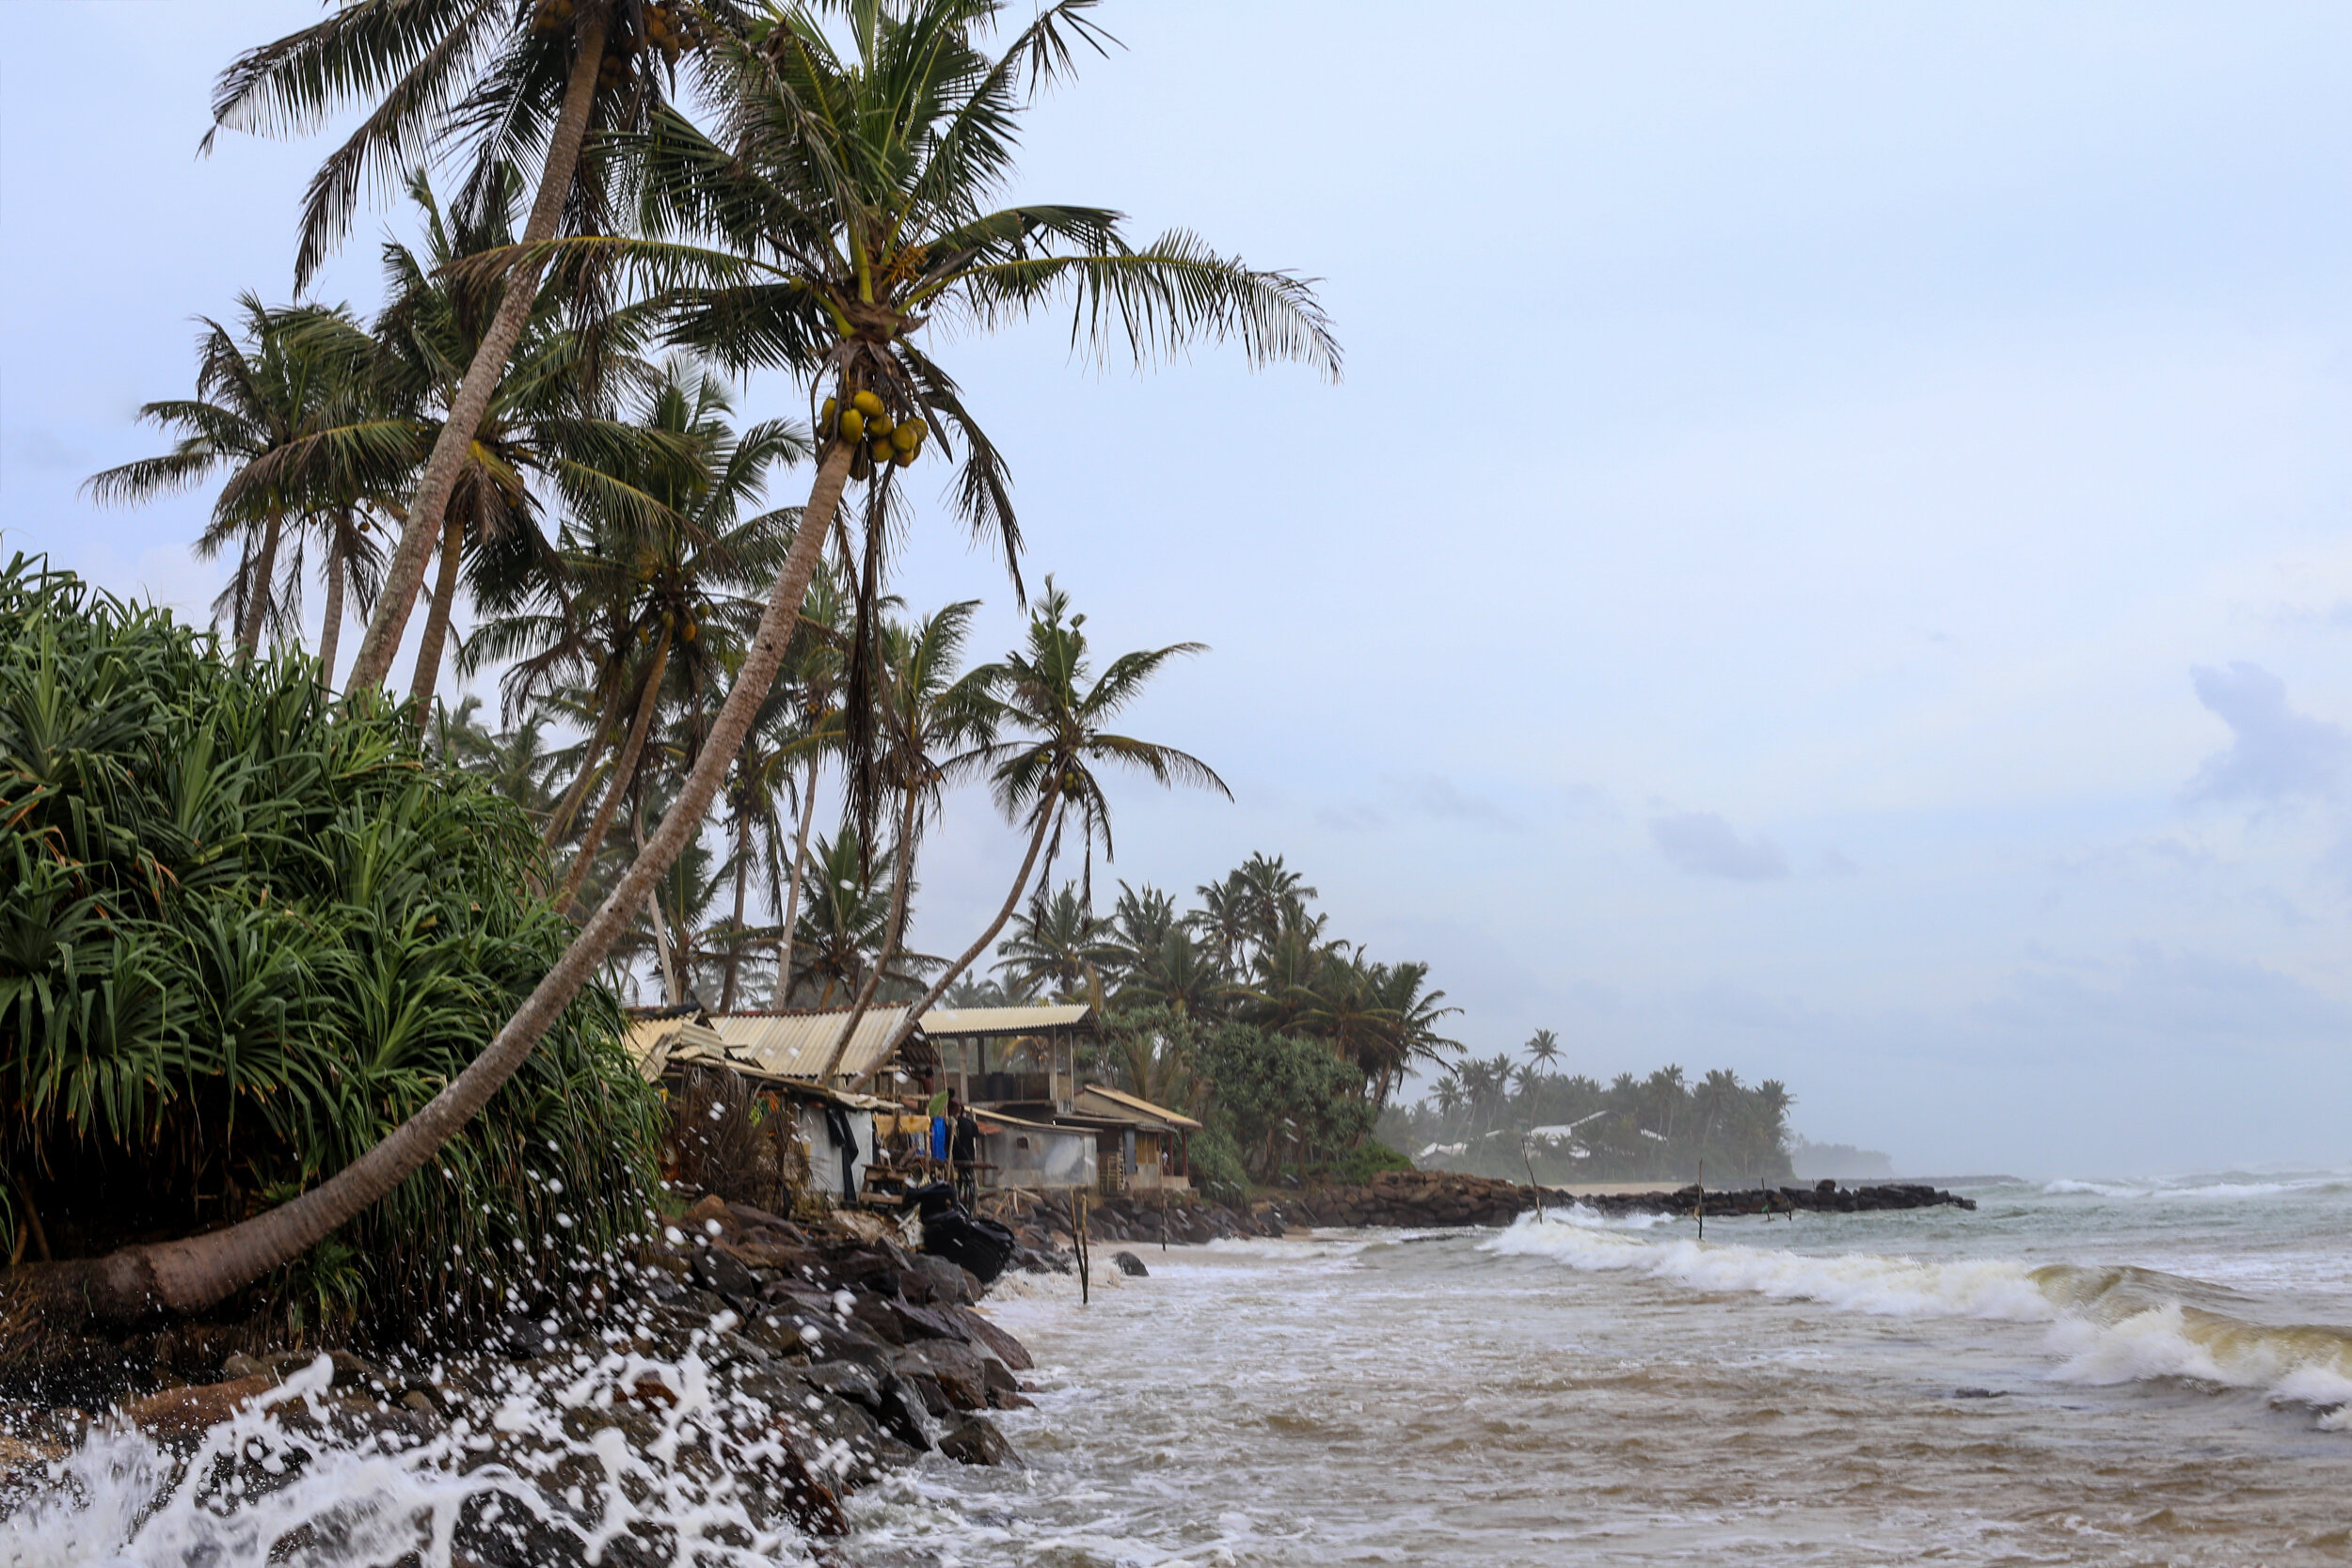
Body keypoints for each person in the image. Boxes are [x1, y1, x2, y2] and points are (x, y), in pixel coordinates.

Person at [950, 1099, 981, 1205]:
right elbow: (976, 1135)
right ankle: (969, 1200)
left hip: (959, 1156)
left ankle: (959, 1199)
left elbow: (954, 1140)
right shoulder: (970, 1123)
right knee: (968, 1178)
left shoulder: (954, 1123)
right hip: (969, 1155)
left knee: (961, 1179)